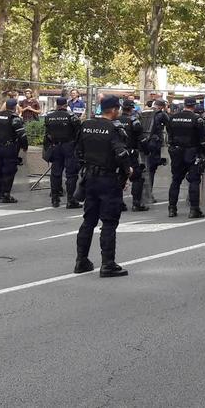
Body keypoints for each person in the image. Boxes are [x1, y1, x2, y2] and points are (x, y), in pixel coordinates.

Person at [73, 95, 132, 277]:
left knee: (88, 220)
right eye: (118, 108)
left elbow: (78, 150)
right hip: (108, 180)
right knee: (109, 222)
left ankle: (81, 261)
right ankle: (108, 264)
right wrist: (127, 171)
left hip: (89, 178)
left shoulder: (86, 125)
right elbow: (121, 153)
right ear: (114, 109)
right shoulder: (114, 129)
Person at [165, 96, 205, 218]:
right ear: (194, 106)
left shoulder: (172, 118)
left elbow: (169, 136)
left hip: (176, 152)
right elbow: (203, 140)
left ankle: (172, 208)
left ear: (184, 104)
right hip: (192, 152)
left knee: (176, 180)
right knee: (194, 180)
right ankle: (194, 209)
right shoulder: (197, 119)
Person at [43, 96, 82, 208]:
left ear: (57, 104)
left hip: (55, 146)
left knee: (55, 173)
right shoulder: (71, 116)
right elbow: (78, 131)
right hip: (69, 146)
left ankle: (55, 199)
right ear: (66, 105)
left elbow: (47, 133)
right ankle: (71, 200)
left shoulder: (49, 117)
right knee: (71, 174)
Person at [0, 99, 28, 203]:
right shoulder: (14, 117)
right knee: (9, 171)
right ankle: (5, 195)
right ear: (15, 107)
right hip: (10, 147)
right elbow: (22, 134)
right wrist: (25, 146)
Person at [118, 99, 148, 212]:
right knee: (137, 177)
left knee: (120, 176)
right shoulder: (134, 121)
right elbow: (142, 138)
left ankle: (119, 203)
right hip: (130, 153)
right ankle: (136, 203)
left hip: (118, 152)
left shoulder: (116, 120)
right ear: (131, 108)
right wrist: (146, 150)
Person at [138, 99, 170, 205]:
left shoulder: (143, 113)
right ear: (162, 107)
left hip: (142, 144)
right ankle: (148, 195)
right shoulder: (161, 114)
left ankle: (141, 194)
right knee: (151, 170)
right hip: (154, 144)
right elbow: (169, 125)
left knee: (143, 169)